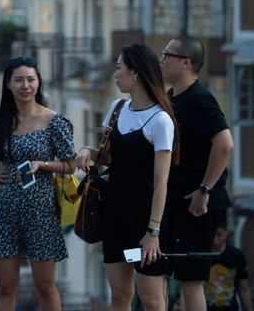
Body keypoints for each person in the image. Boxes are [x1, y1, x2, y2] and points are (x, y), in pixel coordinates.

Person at [0, 56, 75, 311]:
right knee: (6, 287)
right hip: (5, 209)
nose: (26, 86)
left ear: (38, 83)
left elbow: (71, 164)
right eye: (19, 80)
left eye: (31, 79)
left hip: (42, 210)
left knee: (45, 286)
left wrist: (42, 164)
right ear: (8, 84)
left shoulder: (54, 121)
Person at [77, 43, 180, 311]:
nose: (115, 73)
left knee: (152, 299)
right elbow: (114, 158)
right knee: (120, 296)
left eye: (119, 67)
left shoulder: (161, 120)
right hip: (115, 217)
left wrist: (153, 233)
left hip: (146, 221)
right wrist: (88, 150)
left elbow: (161, 182)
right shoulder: (117, 108)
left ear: (135, 73)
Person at [160, 36, 235, 311]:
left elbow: (225, 145)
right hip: (175, 202)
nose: (161, 60)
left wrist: (204, 191)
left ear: (186, 63)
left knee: (190, 281)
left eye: (166, 55)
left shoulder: (200, 99)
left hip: (196, 206)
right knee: (164, 273)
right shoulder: (171, 98)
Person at [204, 219, 252, 311]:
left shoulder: (237, 256)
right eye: (212, 235)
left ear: (227, 231)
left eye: (219, 235)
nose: (215, 240)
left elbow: (244, 289)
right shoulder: (201, 255)